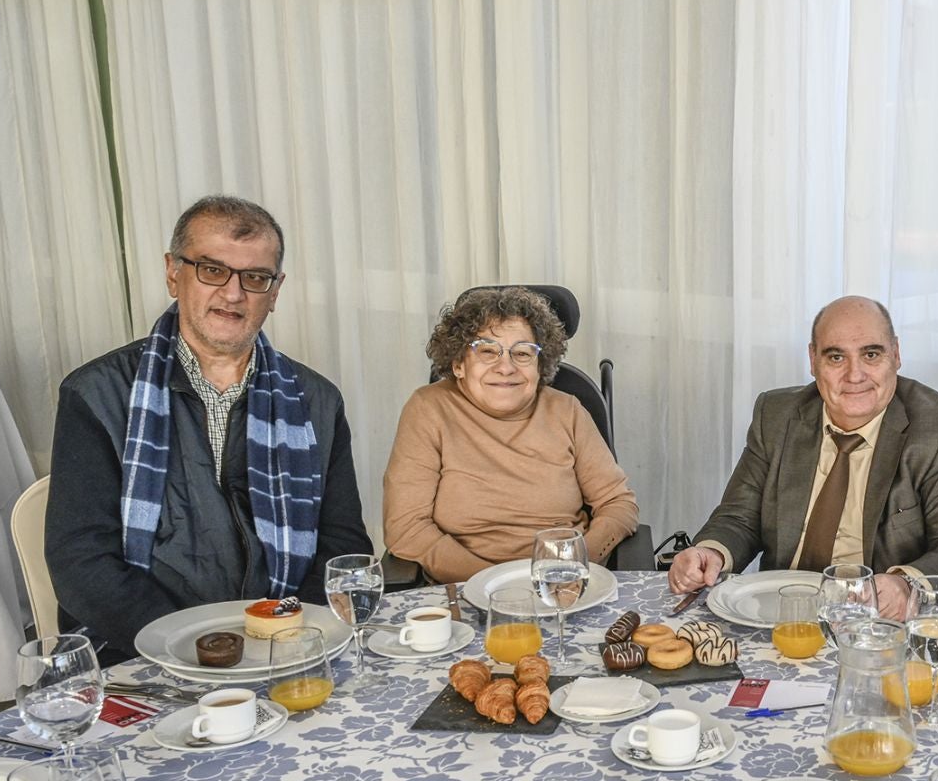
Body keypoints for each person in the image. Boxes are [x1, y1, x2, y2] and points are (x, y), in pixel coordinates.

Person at [46, 195, 369, 659]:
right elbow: (81, 563)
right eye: (212, 270)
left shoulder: (317, 400)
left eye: (254, 277)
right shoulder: (95, 394)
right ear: (173, 273)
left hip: (285, 643)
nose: (233, 293)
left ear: (275, 292)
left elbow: (342, 546)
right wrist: (192, 645)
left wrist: (279, 634)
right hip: (142, 651)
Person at [666, 296, 938, 618]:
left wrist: (905, 584)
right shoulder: (777, 415)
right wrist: (710, 552)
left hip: (882, 622)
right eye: (836, 357)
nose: (855, 375)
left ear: (896, 355)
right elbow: (739, 517)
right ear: (813, 359)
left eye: (871, 354)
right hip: (783, 613)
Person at [383, 287, 639, 582]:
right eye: (488, 350)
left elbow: (619, 504)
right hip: (465, 588)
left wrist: (573, 565)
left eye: (522, 353)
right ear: (458, 364)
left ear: (540, 365)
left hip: (563, 585)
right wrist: (495, 584)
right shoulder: (428, 409)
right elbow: (406, 528)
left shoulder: (566, 410)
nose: (506, 367)